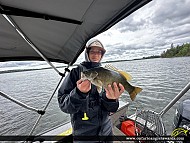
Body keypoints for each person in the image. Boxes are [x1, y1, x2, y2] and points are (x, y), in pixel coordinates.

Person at [58, 39, 125, 143]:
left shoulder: (106, 73)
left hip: (106, 132)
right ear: (87, 53)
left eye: (99, 52)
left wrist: (111, 100)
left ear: (102, 55)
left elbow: (110, 109)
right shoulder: (76, 72)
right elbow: (63, 105)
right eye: (92, 51)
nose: (96, 55)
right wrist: (79, 93)